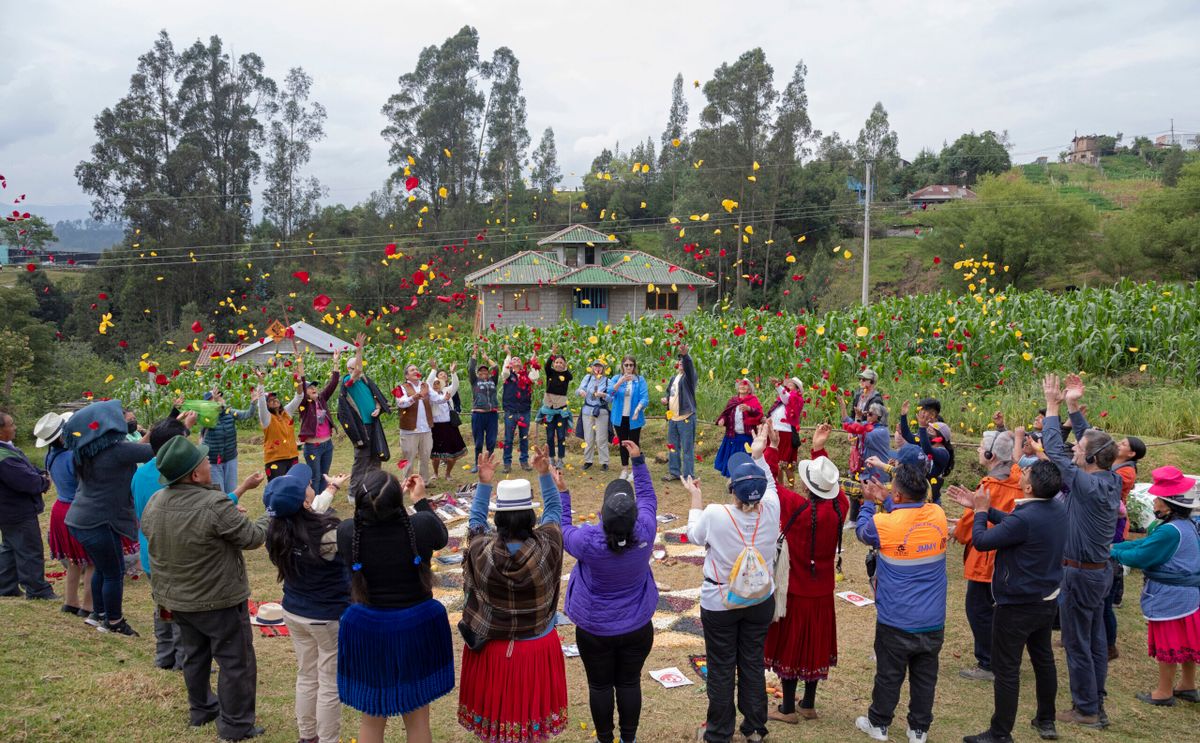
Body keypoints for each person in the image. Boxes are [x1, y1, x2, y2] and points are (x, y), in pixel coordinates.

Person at [141, 434, 269, 741]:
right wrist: (270, 517)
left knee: (195, 655)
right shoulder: (213, 504)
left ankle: (201, 710)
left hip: (177, 600)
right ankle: (236, 725)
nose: (210, 463)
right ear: (195, 474)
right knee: (235, 661)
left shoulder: (156, 501)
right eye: (206, 461)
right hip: (217, 600)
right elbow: (252, 538)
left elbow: (149, 530)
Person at [133, 414, 264, 671]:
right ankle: (186, 660)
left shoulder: (141, 475)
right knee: (185, 610)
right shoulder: (180, 491)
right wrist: (240, 495)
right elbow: (197, 512)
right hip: (180, 554)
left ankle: (165, 656)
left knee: (164, 608)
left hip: (153, 554)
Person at [953, 458, 1068, 743]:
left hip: (1017, 605)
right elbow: (1014, 526)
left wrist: (980, 512)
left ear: (1028, 487)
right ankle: (1046, 720)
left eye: (1025, 471)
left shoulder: (1027, 517)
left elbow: (981, 541)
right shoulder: (1055, 507)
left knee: (1006, 669)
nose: (1021, 470)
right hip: (1046, 598)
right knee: (1043, 660)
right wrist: (983, 508)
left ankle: (1000, 733)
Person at [458, 446, 567, 742]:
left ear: (500, 520)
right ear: (532, 516)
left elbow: (475, 525)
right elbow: (556, 512)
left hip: (494, 650)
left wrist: (483, 483)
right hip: (537, 647)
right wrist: (544, 474)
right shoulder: (549, 545)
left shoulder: (481, 551)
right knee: (531, 727)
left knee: (496, 724)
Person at [336, 469, 453, 743]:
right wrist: (421, 501)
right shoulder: (421, 526)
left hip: (368, 629)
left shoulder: (347, 532)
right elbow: (442, 536)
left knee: (372, 716)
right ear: (397, 500)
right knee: (417, 717)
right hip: (416, 626)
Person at [684, 424, 779, 743]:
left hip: (720, 602)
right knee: (752, 662)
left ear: (731, 489)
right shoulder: (772, 510)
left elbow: (694, 534)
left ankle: (719, 732)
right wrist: (759, 455)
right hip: (759, 601)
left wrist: (695, 498)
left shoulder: (715, 514)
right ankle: (754, 728)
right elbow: (772, 486)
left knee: (722, 667)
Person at [561, 440, 658, 743]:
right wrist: (639, 463)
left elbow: (562, 527)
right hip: (637, 626)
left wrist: (562, 493)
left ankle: (605, 739)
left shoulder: (588, 542)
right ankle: (628, 739)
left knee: (600, 686)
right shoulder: (645, 530)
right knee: (629, 683)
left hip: (595, 628)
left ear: (601, 514)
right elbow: (647, 497)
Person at [1040, 373, 1121, 728]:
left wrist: (1054, 407)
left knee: (1077, 644)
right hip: (1099, 571)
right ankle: (1095, 700)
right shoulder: (1111, 476)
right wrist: (1074, 407)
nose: (1075, 448)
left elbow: (1055, 451)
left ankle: (1086, 709)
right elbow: (1094, 445)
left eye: (1080, 448)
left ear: (1089, 459)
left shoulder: (1084, 483)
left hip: (1079, 574)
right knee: (1095, 639)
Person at [853, 464, 949, 743]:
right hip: (932, 620)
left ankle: (878, 723)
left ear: (898, 493)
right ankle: (919, 729)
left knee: (888, 675)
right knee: (925, 679)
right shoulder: (938, 515)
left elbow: (862, 532)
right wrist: (888, 498)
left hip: (895, 619)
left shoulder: (883, 524)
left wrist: (870, 503)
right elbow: (911, 508)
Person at [764, 421, 848, 723]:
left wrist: (773, 447)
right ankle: (808, 704)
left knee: (791, 647)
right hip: (823, 592)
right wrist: (818, 448)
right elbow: (831, 486)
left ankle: (787, 708)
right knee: (814, 646)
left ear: (805, 486)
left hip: (795, 591)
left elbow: (770, 482)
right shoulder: (840, 508)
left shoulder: (796, 508)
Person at [264, 462, 351, 743]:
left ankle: (307, 736)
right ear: (304, 500)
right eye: (307, 485)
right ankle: (327, 739)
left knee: (306, 675)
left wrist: (332, 488)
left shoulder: (277, 529)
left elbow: (313, 511)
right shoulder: (327, 536)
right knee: (328, 682)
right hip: (326, 617)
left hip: (294, 612)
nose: (310, 485)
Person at [1110, 466, 1200, 708]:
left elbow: (1142, 555)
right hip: (1187, 596)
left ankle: (1163, 692)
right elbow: (1144, 545)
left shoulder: (1170, 531)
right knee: (1186, 644)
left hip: (1171, 596)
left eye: (1158, 500)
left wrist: (1111, 551)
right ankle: (1188, 685)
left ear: (1169, 504)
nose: (1155, 504)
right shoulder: (1185, 525)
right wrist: (1118, 546)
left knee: (1168, 644)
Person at [62, 400, 153, 635]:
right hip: (96, 522)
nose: (127, 420)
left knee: (102, 568)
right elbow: (154, 449)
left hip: (81, 519)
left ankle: (98, 613)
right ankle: (114, 622)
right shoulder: (117, 450)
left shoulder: (89, 449)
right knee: (113, 572)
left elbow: (137, 448)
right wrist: (180, 426)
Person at [953, 429, 1020, 682]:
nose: (979, 450)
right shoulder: (1018, 477)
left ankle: (988, 662)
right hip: (1009, 557)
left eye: (982, 447)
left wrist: (957, 531)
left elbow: (972, 521)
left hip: (987, 557)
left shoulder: (991, 486)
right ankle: (1003, 657)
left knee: (978, 609)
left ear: (992, 454)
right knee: (999, 609)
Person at [0, 410, 57, 601]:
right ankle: (37, 590)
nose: (15, 427)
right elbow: (26, 481)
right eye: (11, 424)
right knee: (29, 549)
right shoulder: (3, 457)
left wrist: (39, 473)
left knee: (10, 547)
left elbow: (27, 469)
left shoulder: (6, 450)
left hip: (9, 510)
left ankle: (6, 586)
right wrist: (44, 482)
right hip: (16, 510)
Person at [36, 411, 90, 614]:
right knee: (92, 561)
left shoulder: (50, 455)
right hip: (78, 508)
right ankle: (88, 605)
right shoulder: (73, 457)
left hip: (60, 509)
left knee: (74, 560)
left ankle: (70, 601)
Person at [1105, 434, 1146, 658]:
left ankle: (1116, 595)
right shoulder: (1118, 463)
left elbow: (1107, 481)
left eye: (1122, 444)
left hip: (1115, 522)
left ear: (1131, 454)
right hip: (1109, 518)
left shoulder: (1126, 471)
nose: (1118, 445)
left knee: (1113, 561)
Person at [338, 332, 392, 489]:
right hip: (361, 426)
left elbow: (376, 398)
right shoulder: (348, 381)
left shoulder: (366, 380)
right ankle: (354, 491)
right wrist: (359, 350)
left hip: (373, 423)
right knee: (362, 459)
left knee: (376, 455)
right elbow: (357, 370)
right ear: (350, 369)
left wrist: (378, 407)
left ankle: (374, 486)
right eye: (356, 367)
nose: (360, 369)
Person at [193, 388, 256, 494]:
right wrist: (216, 407)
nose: (218, 399)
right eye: (213, 398)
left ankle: (232, 509)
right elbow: (204, 419)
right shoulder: (206, 416)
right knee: (219, 493)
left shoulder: (229, 412)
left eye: (219, 396)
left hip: (230, 458)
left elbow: (248, 414)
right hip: (213, 461)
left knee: (232, 491)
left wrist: (253, 403)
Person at [296, 351, 341, 496]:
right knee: (315, 478)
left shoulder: (321, 399)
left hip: (327, 445)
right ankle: (314, 507)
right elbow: (301, 386)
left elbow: (333, 383)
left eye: (315, 386)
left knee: (324, 476)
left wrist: (336, 361)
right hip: (312, 447)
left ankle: (324, 504)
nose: (313, 388)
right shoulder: (304, 404)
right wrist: (300, 363)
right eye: (310, 387)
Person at [898, 400, 954, 505]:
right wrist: (903, 415)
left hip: (931, 498)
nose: (929, 429)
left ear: (940, 436)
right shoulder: (926, 444)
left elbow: (928, 450)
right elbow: (907, 436)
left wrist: (922, 427)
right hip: (920, 494)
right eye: (928, 428)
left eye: (932, 430)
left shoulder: (943, 453)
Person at [255, 369, 303, 480]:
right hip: (275, 459)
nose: (274, 400)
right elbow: (261, 402)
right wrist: (261, 382)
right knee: (277, 489)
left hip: (293, 456)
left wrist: (299, 382)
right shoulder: (266, 418)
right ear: (266, 405)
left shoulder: (286, 412)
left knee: (293, 486)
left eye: (275, 398)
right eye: (270, 400)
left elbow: (299, 397)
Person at [500, 345, 539, 474]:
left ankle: (524, 461)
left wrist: (533, 360)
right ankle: (507, 463)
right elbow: (505, 370)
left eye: (518, 359)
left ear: (522, 364)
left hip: (524, 411)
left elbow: (535, 377)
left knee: (524, 438)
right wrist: (509, 355)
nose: (516, 361)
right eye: (514, 360)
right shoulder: (507, 375)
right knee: (508, 439)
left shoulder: (527, 375)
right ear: (510, 364)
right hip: (510, 411)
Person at [713, 379, 763, 480]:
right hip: (732, 436)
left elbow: (759, 414)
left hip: (746, 437)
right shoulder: (733, 401)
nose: (742, 386)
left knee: (745, 461)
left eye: (745, 385)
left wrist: (749, 409)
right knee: (731, 459)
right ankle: (732, 481)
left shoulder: (753, 400)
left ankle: (744, 480)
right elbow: (726, 414)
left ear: (749, 389)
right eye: (740, 385)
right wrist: (722, 419)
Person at [662, 343, 698, 482]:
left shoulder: (690, 377)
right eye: (679, 360)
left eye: (682, 361)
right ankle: (674, 472)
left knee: (687, 448)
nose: (681, 362)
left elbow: (689, 366)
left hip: (686, 417)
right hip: (673, 418)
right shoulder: (674, 378)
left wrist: (685, 355)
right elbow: (670, 393)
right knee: (673, 447)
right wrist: (666, 399)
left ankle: (689, 475)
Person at [427, 363, 466, 482]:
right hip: (436, 426)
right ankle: (435, 473)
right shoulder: (430, 394)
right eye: (435, 383)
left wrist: (453, 373)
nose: (436, 385)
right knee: (436, 455)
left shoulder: (446, 391)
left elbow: (455, 385)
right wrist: (433, 370)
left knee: (452, 454)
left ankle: (448, 474)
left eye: (438, 383)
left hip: (449, 425)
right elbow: (428, 383)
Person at [395, 363, 434, 481]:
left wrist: (444, 398)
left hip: (426, 429)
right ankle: (407, 481)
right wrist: (413, 398)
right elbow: (400, 403)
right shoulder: (399, 388)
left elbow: (436, 397)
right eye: (412, 370)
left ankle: (424, 481)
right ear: (407, 376)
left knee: (426, 456)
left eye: (416, 369)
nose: (415, 371)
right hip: (409, 430)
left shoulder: (425, 385)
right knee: (408, 456)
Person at [537, 348, 574, 469]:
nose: (558, 364)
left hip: (561, 411)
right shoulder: (550, 372)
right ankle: (552, 458)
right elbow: (547, 366)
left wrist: (566, 368)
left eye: (561, 363)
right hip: (549, 409)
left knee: (561, 436)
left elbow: (570, 376)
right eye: (557, 362)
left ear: (564, 365)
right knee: (549, 435)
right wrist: (552, 355)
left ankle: (561, 459)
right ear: (554, 364)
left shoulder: (566, 375)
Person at [765, 377, 804, 487]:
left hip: (785, 432)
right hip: (775, 430)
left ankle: (791, 486)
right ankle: (779, 486)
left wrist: (778, 386)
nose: (788, 386)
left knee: (785, 464)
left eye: (791, 385)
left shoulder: (796, 399)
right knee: (776, 462)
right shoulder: (780, 401)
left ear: (797, 390)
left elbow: (787, 398)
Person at [467, 346, 499, 473]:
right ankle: (477, 464)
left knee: (491, 441)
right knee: (479, 442)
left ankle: (489, 463)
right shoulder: (474, 381)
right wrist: (474, 354)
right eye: (481, 372)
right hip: (478, 415)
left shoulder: (493, 380)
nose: (484, 373)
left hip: (492, 415)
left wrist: (487, 358)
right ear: (478, 374)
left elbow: (496, 367)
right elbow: (470, 368)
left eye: (486, 371)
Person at [577, 359, 612, 472]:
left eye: (600, 367)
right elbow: (578, 390)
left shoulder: (607, 381)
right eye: (595, 366)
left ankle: (604, 462)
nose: (597, 369)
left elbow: (612, 398)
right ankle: (588, 460)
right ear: (592, 368)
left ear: (603, 369)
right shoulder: (587, 378)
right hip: (587, 411)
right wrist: (581, 392)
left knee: (601, 438)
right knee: (588, 437)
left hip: (601, 412)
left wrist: (604, 395)